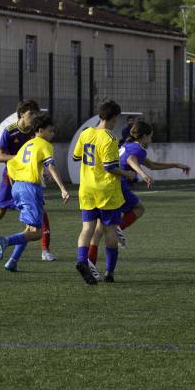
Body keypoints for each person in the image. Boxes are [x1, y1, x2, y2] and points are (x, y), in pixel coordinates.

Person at [86, 121, 191, 280]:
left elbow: (153, 165)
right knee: (137, 210)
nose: (151, 140)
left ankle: (91, 264)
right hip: (117, 187)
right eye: (150, 137)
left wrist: (176, 164)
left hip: (103, 186)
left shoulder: (128, 145)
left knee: (100, 228)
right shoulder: (137, 149)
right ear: (143, 136)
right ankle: (110, 262)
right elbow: (131, 161)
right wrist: (142, 174)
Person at [0, 100, 57, 261]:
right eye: (30, 113)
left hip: (28, 178)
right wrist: (19, 159)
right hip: (11, 177)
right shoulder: (9, 132)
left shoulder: (35, 133)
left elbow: (40, 156)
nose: (33, 117)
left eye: (35, 114)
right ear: (22, 114)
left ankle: (44, 251)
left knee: (41, 213)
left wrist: (44, 170)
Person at [0, 113, 70, 272]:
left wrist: (33, 177)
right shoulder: (45, 145)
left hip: (18, 186)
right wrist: (63, 189)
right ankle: (6, 241)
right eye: (50, 131)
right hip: (30, 188)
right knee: (37, 233)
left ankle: (12, 262)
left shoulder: (27, 145)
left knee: (30, 229)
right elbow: (51, 166)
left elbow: (13, 164)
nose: (52, 134)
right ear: (41, 130)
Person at [72, 100, 136, 285]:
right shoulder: (110, 138)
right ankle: (109, 272)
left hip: (86, 188)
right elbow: (110, 168)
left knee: (87, 228)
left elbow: (76, 157)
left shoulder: (86, 133)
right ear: (114, 117)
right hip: (105, 191)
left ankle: (82, 260)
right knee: (109, 230)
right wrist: (127, 174)